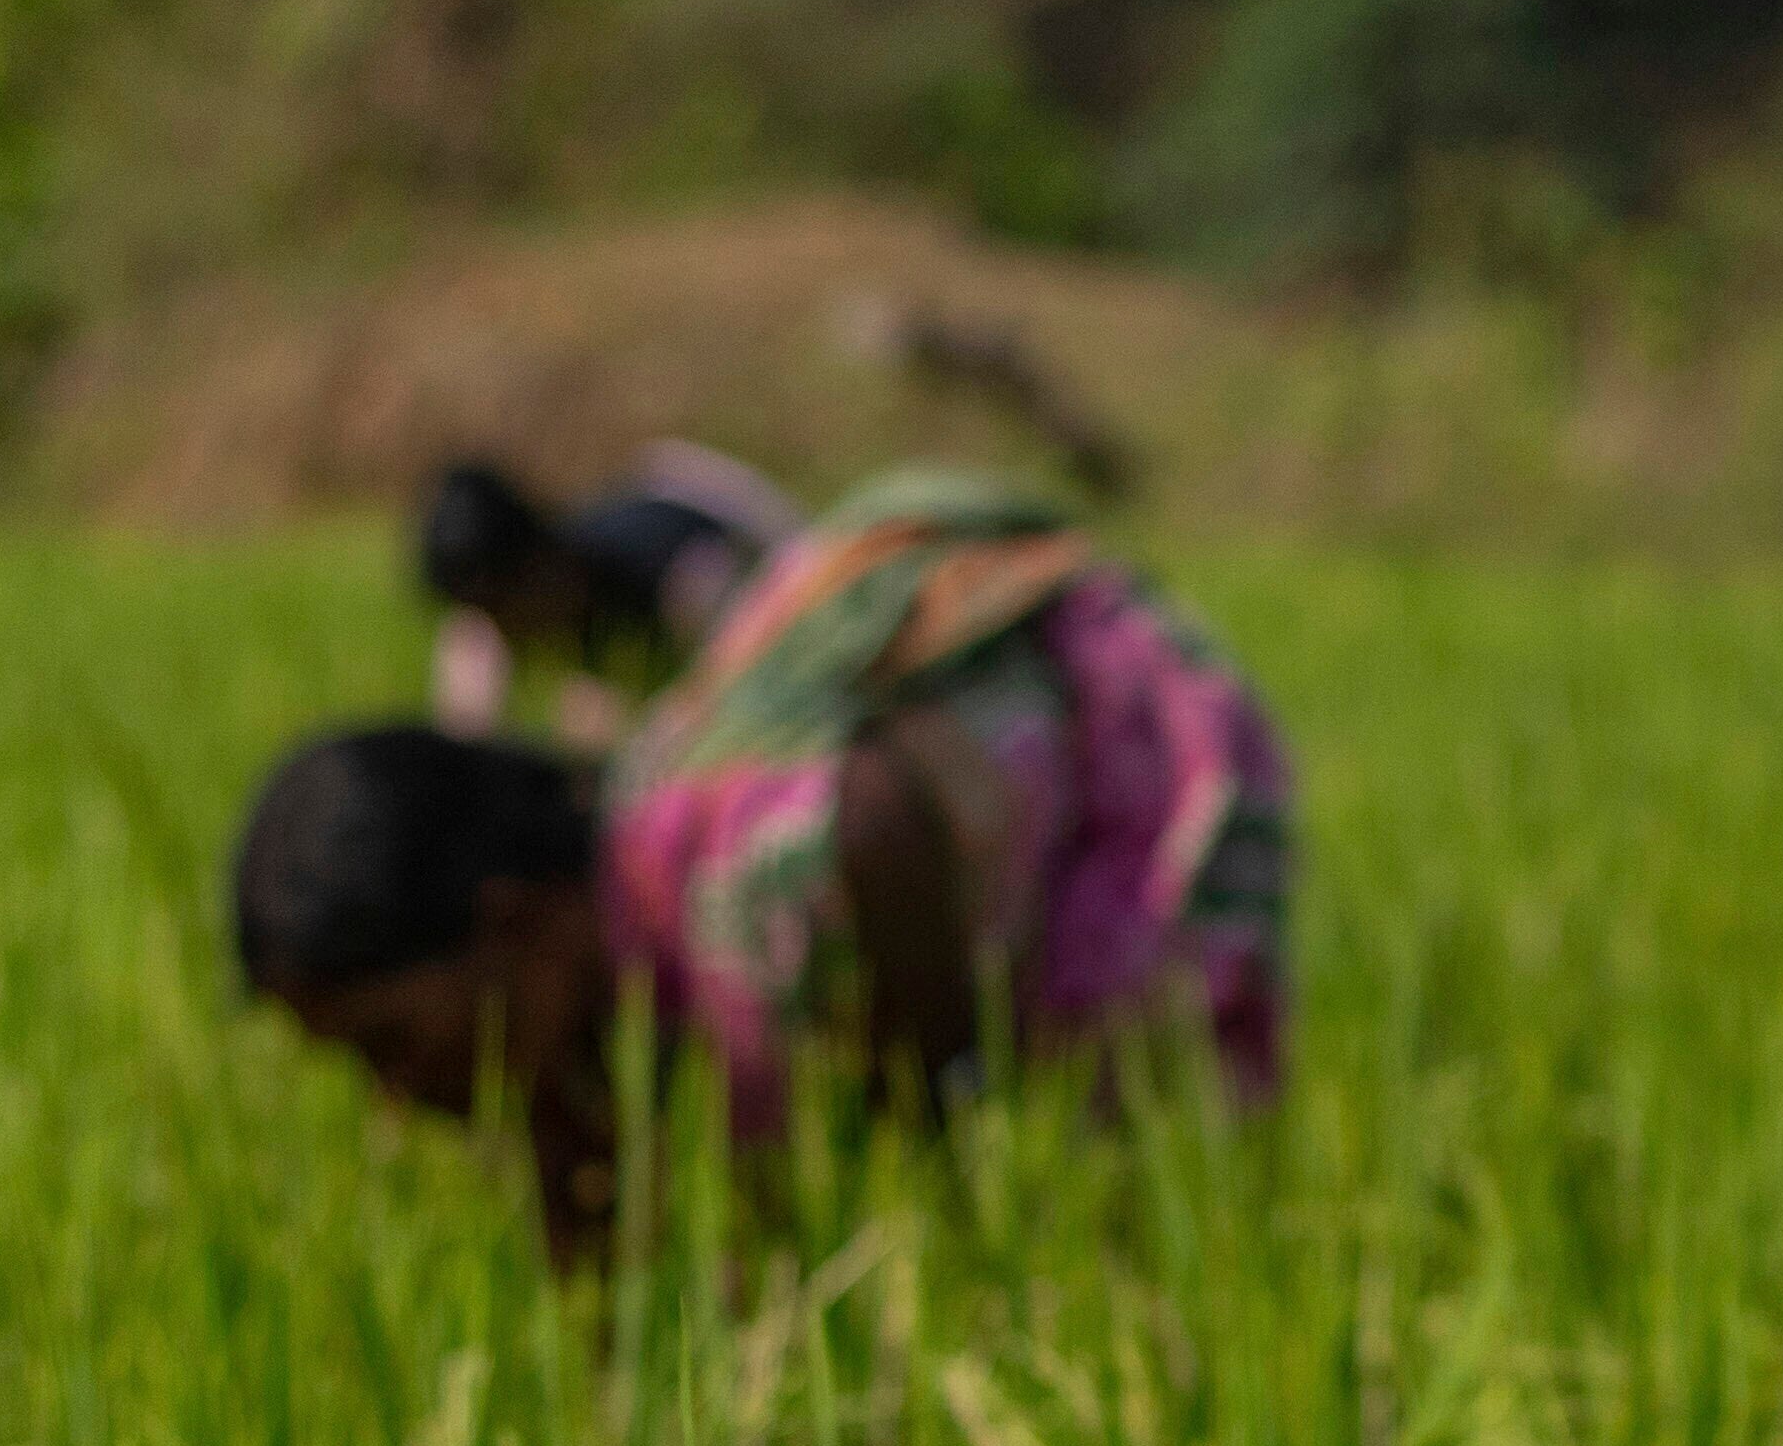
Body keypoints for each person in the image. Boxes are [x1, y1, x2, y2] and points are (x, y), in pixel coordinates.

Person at [239, 462, 1295, 1252]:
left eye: (388, 1042)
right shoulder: (582, 1007)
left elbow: (870, 819)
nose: (392, 1096)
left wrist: (940, 1103)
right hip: (957, 847)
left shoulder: (753, 883)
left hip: (1122, 739)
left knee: (1130, 1188)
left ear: (511, 923)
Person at [419, 442, 798, 740]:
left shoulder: (685, 579)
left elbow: (754, 695)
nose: (497, 629)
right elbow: (464, 743)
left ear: (538, 569)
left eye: (499, 608)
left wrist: (645, 736)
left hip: (771, 600)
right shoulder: (510, 609)